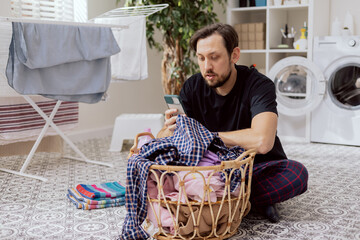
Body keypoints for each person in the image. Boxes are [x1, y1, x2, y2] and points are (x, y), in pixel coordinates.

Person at [157, 23, 308, 223]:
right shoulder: (192, 86)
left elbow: (263, 141)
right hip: (210, 170)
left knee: (296, 174)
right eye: (201, 58)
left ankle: (216, 201)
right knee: (159, 167)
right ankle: (244, 200)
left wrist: (205, 136)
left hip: (255, 168)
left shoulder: (259, 85)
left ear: (234, 55)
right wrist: (170, 129)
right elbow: (163, 139)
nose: (206, 67)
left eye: (214, 57)